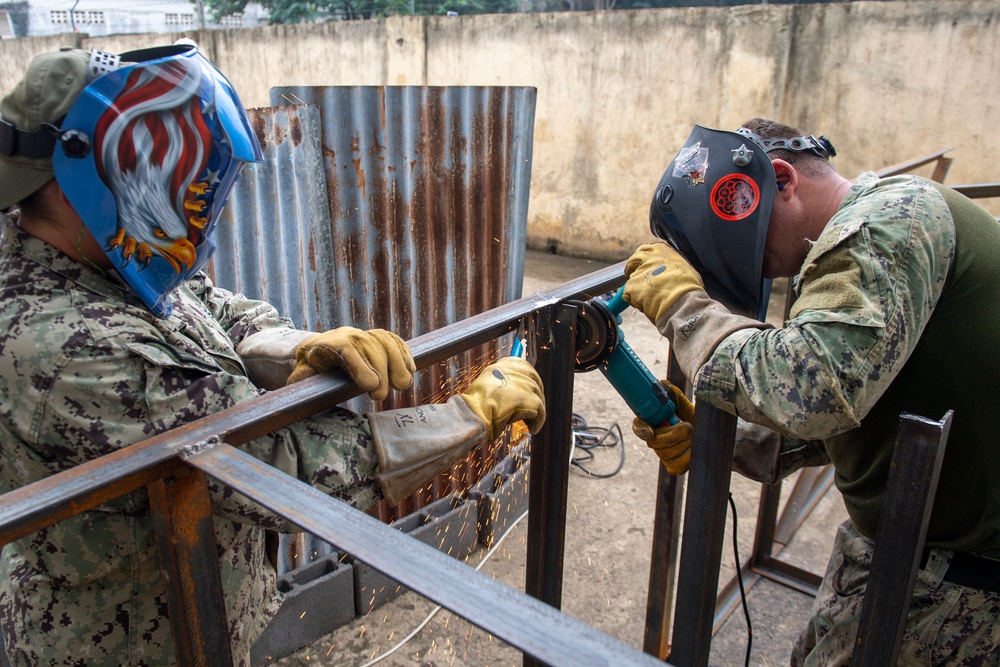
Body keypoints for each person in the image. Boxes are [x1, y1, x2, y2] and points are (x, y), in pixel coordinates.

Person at [0, 44, 546, 666]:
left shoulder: (100, 258)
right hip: (130, 644)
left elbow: (213, 308)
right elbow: (280, 468)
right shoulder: (61, 345)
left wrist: (298, 347)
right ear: (92, 176)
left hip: (198, 614)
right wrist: (469, 416)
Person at [623, 118, 1000, 664]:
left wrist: (686, 310)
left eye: (756, 254)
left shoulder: (887, 223)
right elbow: (865, 409)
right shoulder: (878, 233)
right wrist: (724, 439)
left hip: (960, 579)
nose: (762, 273)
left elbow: (817, 387)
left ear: (780, 180)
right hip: (913, 550)